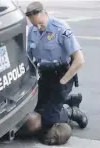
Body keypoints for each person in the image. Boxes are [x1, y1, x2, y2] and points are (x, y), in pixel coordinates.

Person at [23, 1, 88, 142]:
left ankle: (71, 112)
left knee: (46, 123)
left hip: (61, 76)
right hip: (44, 77)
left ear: (45, 13)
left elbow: (79, 60)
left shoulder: (60, 28)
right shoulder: (32, 31)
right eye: (35, 25)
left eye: (41, 24)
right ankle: (68, 100)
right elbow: (29, 57)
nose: (38, 28)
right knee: (35, 111)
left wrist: (63, 81)